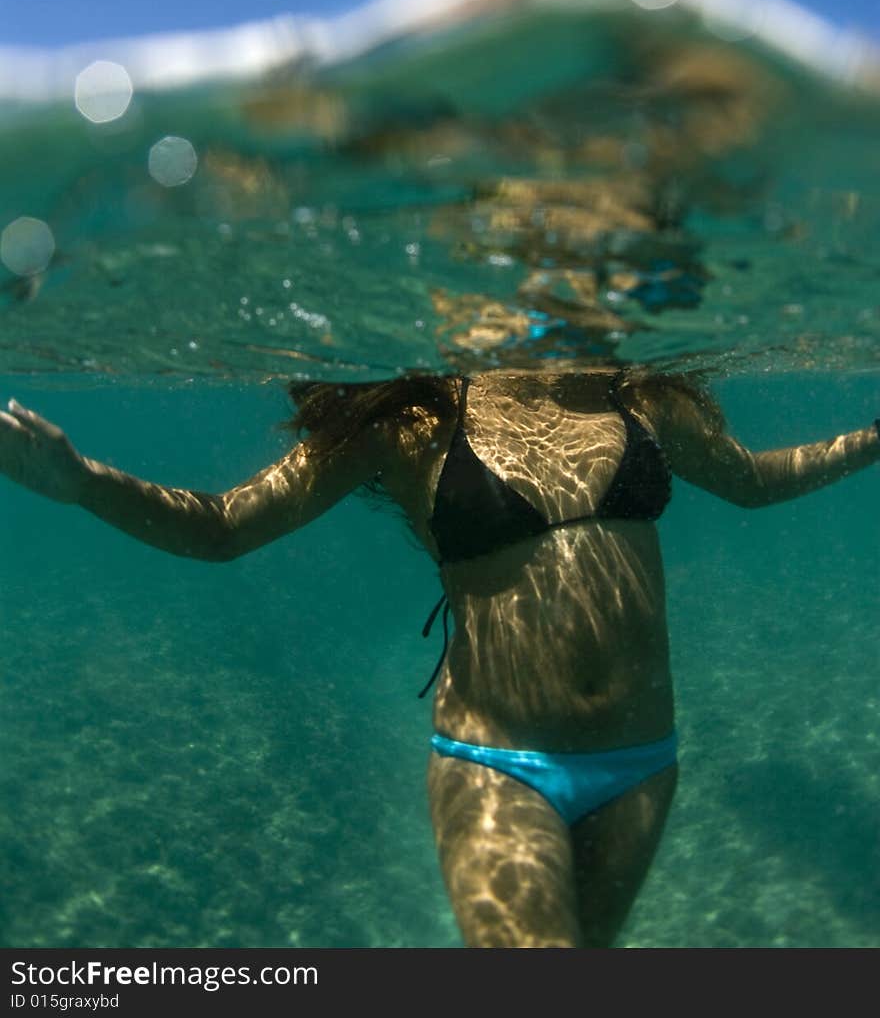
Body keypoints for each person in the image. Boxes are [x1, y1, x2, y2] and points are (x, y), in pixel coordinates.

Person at [1, 368, 877, 948]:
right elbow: (226, 524)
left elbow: (756, 480)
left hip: (642, 764)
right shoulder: (418, 420)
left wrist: (870, 438)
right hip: (499, 768)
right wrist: (79, 481)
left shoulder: (641, 400)